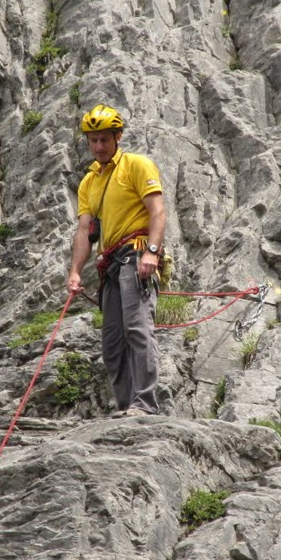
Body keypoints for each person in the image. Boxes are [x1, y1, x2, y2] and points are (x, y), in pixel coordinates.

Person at [66, 104, 165, 417]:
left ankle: (145, 403)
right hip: (109, 265)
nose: (98, 146)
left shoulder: (137, 165)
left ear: (117, 137)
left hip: (135, 255)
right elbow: (85, 230)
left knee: (137, 329)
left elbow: (158, 211)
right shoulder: (88, 182)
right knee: (111, 342)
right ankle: (126, 405)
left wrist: (151, 252)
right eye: (93, 141)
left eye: (104, 140)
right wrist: (75, 272)